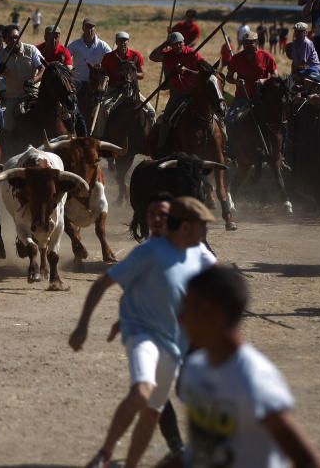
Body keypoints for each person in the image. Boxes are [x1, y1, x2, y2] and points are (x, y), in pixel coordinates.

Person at [70, 196, 218, 468]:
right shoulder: (149, 251)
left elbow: (205, 292)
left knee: (152, 413)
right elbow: (105, 283)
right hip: (143, 334)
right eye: (201, 226)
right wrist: (83, 326)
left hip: (176, 343)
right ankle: (104, 454)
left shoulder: (201, 255)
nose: (206, 232)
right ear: (184, 226)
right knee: (142, 392)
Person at [175, 266, 320, 468]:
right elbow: (200, 451)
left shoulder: (254, 380)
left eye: (187, 309)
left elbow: (307, 460)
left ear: (212, 313)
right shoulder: (195, 369)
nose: (180, 319)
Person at [149, 32, 204, 150]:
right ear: (171, 45)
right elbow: (152, 57)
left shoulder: (192, 53)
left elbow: (204, 73)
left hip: (194, 93)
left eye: (180, 43)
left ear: (184, 42)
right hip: (177, 95)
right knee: (166, 118)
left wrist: (186, 71)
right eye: (175, 44)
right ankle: (161, 146)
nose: (178, 46)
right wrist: (165, 42)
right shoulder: (167, 54)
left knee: (214, 115)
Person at [0, 23, 45, 136]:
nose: (15, 40)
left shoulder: (31, 50)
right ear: (4, 40)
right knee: (7, 123)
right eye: (11, 38)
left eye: (16, 37)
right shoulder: (0, 56)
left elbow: (42, 68)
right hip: (13, 97)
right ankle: (9, 145)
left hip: (34, 93)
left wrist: (34, 80)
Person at [96, 31, 151, 135]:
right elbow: (102, 73)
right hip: (114, 89)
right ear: (116, 42)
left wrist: (132, 75)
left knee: (151, 112)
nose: (123, 43)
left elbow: (142, 75)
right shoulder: (108, 57)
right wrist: (104, 77)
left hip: (132, 89)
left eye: (125, 41)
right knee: (103, 109)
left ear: (128, 41)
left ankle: (151, 138)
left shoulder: (136, 55)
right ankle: (99, 136)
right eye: (120, 41)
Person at [225, 31, 277, 125]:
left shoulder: (266, 56)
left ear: (257, 42)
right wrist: (236, 82)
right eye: (245, 43)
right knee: (230, 120)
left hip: (262, 98)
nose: (247, 45)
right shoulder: (236, 58)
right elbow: (228, 77)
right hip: (242, 97)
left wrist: (264, 80)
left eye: (251, 42)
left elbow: (275, 76)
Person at [68, 18, 112, 93]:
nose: (89, 30)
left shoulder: (102, 45)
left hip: (97, 84)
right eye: (87, 27)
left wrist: (102, 67)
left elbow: (111, 59)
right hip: (78, 82)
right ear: (83, 28)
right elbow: (66, 57)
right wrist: (70, 69)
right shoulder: (75, 45)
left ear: (94, 28)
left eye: (91, 27)